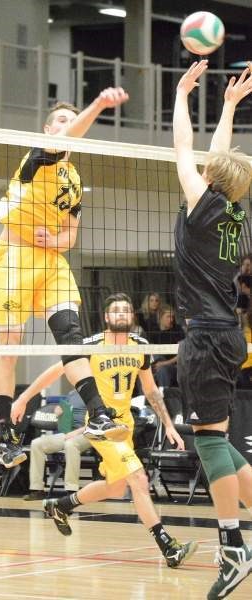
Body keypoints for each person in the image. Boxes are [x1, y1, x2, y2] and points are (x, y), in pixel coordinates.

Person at [0, 88, 130, 469]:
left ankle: (98, 413)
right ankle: (4, 436)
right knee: (10, 344)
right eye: (63, 120)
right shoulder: (38, 154)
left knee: (71, 335)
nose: (69, 126)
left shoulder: (72, 178)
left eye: (74, 119)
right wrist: (99, 105)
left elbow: (71, 235)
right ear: (48, 130)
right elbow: (68, 137)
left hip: (51, 262)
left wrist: (56, 239)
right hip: (14, 259)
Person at [12, 293, 198, 568]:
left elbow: (150, 391)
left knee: (116, 487)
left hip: (126, 425)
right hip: (102, 426)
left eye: (126, 310)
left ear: (132, 317)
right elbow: (56, 371)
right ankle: (168, 547)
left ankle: (61, 505)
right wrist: (24, 398)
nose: (121, 314)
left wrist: (169, 425)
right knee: (138, 480)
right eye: (116, 311)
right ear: (107, 318)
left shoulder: (140, 346)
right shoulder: (90, 344)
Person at [173, 60, 252, 599]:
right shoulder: (236, 214)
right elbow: (213, 159)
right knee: (221, 440)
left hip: (205, 336)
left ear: (209, 179)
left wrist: (182, 95)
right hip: (230, 336)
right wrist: (226, 108)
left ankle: (232, 548)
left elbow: (184, 149)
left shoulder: (203, 206)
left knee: (208, 442)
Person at [19, 390, 90, 500]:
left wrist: (76, 432)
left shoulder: (96, 393)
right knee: (37, 444)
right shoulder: (72, 394)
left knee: (70, 444)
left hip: (88, 434)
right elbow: (64, 410)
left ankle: (71, 490)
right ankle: (37, 489)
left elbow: (98, 422)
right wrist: (59, 412)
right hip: (68, 433)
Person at [152, 305, 185, 388]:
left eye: (172, 317)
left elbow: (182, 353)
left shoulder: (177, 329)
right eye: (168, 317)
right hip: (158, 362)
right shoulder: (154, 331)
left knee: (162, 369)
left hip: (175, 365)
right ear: (160, 317)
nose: (171, 320)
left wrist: (164, 363)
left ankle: (165, 396)